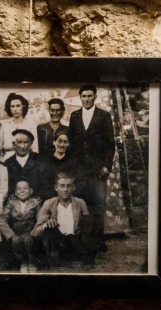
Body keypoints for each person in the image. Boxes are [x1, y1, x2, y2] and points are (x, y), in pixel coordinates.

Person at [68, 85, 116, 253]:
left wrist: (106, 165)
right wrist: (73, 167)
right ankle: (82, 239)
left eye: (90, 96)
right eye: (84, 96)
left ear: (95, 96)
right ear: (80, 97)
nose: (87, 99)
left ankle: (98, 240)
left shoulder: (103, 115)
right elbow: (71, 143)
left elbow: (110, 144)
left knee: (98, 204)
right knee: (80, 203)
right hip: (80, 169)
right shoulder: (74, 116)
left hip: (98, 169)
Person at [33, 172, 93, 270]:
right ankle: (54, 262)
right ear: (56, 188)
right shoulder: (49, 203)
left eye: (68, 186)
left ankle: (79, 260)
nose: (65, 189)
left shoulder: (80, 203)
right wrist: (46, 224)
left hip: (74, 242)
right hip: (57, 243)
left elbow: (87, 227)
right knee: (49, 229)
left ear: (73, 188)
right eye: (62, 186)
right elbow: (36, 231)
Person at [0, 178, 42, 273]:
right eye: (19, 189)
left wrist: (34, 232)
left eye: (25, 188)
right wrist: (11, 235)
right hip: (16, 233)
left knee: (28, 239)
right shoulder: (11, 203)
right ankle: (23, 262)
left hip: (30, 232)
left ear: (31, 191)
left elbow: (41, 217)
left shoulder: (35, 202)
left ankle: (31, 262)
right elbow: (1, 219)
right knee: (16, 241)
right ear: (15, 192)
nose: (22, 191)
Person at [3, 131, 51, 204]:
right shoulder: (8, 163)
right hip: (15, 204)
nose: (22, 146)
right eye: (19, 142)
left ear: (30, 144)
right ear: (14, 144)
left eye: (25, 142)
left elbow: (46, 184)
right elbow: (7, 186)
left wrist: (39, 197)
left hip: (36, 202)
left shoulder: (40, 160)